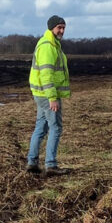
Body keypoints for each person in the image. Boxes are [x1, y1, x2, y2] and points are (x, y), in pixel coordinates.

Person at [27, 15, 70, 175]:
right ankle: (50, 165)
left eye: (64, 27)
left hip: (41, 93)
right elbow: (46, 75)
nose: (62, 30)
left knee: (41, 126)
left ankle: (32, 163)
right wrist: (52, 98)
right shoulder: (48, 46)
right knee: (56, 128)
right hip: (47, 95)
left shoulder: (52, 44)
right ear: (51, 27)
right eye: (59, 27)